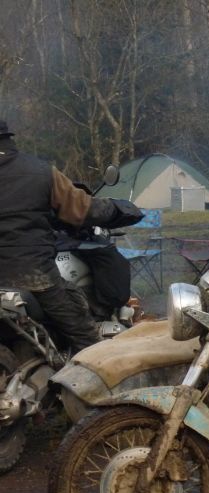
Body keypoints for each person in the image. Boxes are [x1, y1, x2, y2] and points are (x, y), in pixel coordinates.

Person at [0, 120, 137, 351]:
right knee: (88, 341)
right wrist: (120, 210)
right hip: (33, 275)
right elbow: (83, 209)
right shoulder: (40, 172)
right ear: (9, 139)